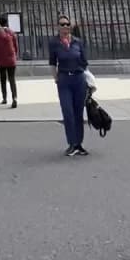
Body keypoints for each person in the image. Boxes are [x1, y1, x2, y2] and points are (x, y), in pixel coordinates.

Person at [49, 13, 89, 155]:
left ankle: (79, 143)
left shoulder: (78, 42)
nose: (65, 26)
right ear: (58, 27)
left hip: (78, 79)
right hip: (64, 79)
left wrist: (82, 74)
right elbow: (52, 63)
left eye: (67, 24)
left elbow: (84, 61)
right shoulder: (54, 43)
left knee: (78, 112)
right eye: (62, 24)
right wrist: (56, 78)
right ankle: (71, 143)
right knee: (68, 112)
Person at [0, 14, 18, 108]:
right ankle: (14, 97)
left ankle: (4, 98)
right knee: (12, 79)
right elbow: (15, 46)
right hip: (11, 59)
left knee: (3, 79)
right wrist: (15, 55)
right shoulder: (12, 32)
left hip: (1, 60)